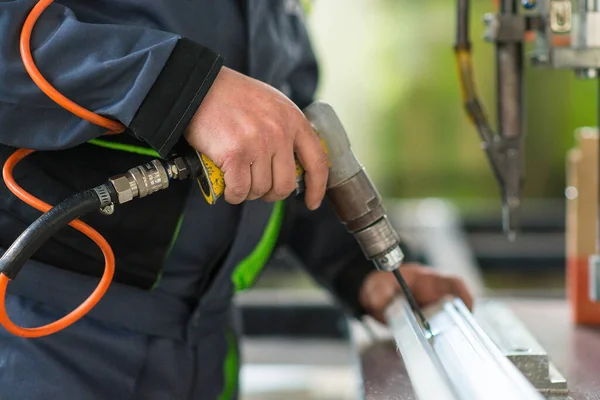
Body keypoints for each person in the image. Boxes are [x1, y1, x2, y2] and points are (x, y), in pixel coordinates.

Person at [0, 1, 473, 399]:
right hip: (44, 338)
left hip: (206, 345)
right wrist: (177, 86)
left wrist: (358, 264)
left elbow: (281, 135)